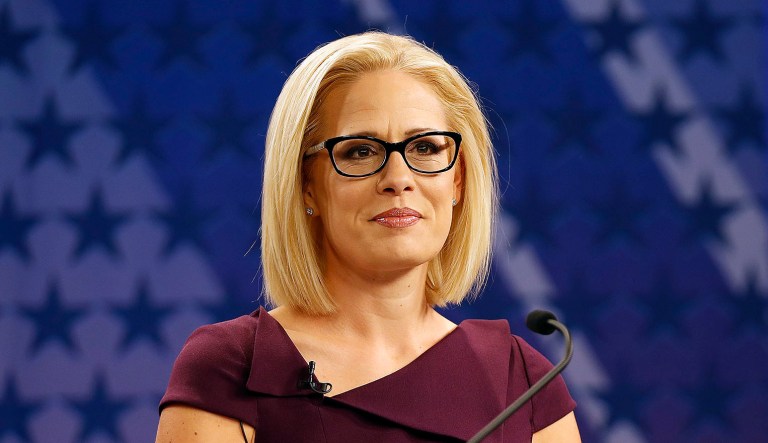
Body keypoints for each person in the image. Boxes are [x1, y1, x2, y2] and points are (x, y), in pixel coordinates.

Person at [156, 31, 580, 442]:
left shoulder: (523, 383)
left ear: (458, 181)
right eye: (360, 151)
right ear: (306, 184)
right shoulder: (230, 368)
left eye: (426, 148)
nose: (398, 179)